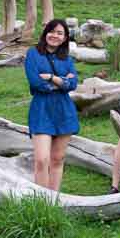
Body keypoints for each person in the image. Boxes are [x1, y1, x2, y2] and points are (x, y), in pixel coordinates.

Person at [25, 18, 79, 191]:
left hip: (64, 111)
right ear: (45, 32)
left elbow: (73, 84)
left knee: (57, 159)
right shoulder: (33, 54)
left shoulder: (67, 59)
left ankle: (54, 200)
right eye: (52, 31)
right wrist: (62, 83)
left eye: (60, 33)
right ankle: (42, 202)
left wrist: (50, 78)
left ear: (65, 38)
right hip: (41, 110)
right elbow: (35, 82)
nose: (55, 35)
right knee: (41, 159)